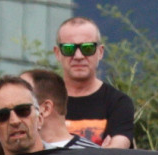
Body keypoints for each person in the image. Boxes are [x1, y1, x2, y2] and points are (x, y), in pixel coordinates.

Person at [53, 16, 140, 146]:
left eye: (87, 48)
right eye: (69, 49)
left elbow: (117, 153)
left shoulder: (118, 103)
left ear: (100, 52)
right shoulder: (43, 101)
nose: (78, 56)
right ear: (57, 53)